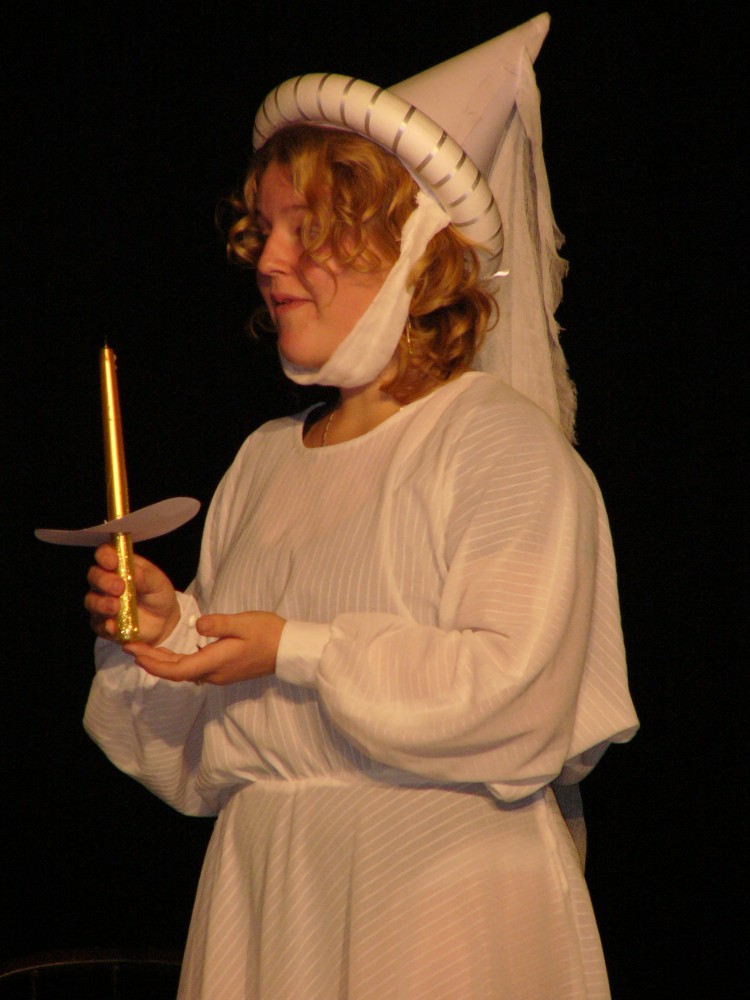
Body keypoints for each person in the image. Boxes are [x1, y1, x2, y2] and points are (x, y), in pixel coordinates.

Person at [83, 15, 638, 1000]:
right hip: (271, 891)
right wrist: (167, 635)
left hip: (429, 896)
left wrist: (295, 649)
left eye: (307, 228)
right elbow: (198, 760)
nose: (268, 259)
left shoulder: (496, 444)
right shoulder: (263, 460)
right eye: (265, 230)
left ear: (410, 247)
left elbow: (514, 699)